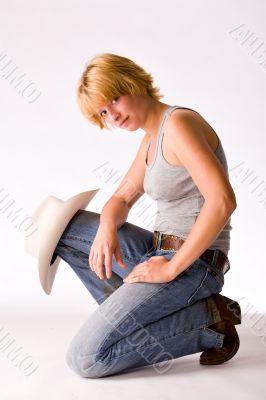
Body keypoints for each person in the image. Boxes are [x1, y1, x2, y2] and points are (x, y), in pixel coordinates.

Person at [53, 53, 241, 378]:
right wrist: (108, 225)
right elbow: (122, 197)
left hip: (194, 263)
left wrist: (172, 267)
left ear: (133, 82)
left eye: (114, 98)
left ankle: (210, 321)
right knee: (65, 230)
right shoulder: (149, 141)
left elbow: (222, 201)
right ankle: (135, 311)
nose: (112, 115)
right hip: (156, 251)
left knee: (85, 359)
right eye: (102, 111)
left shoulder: (179, 125)